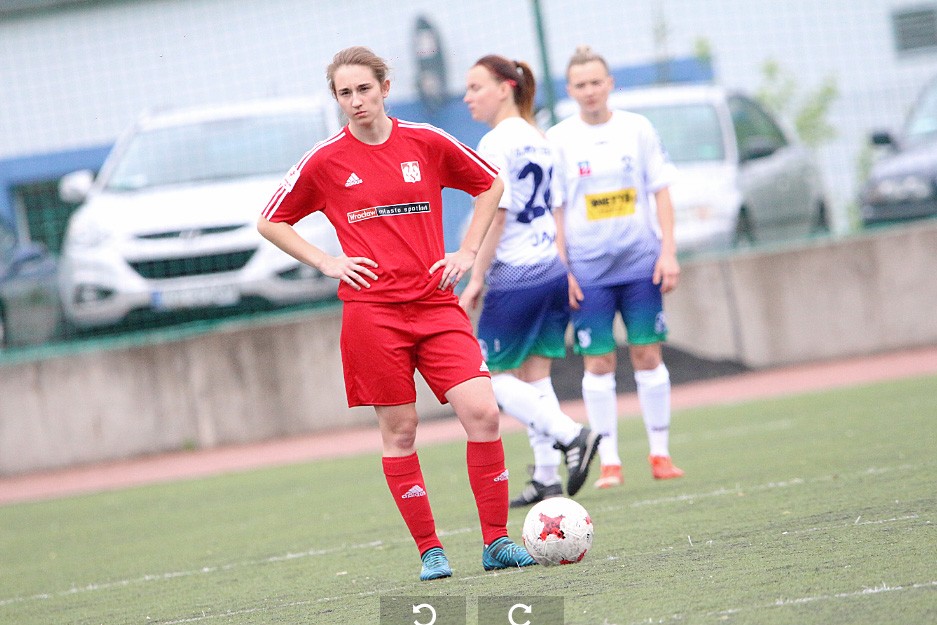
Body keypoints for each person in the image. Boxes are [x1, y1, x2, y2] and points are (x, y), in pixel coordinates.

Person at [258, 46, 536, 581]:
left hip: (436, 304)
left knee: (482, 412)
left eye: (365, 89)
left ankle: (496, 541)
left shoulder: (426, 140)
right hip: (372, 314)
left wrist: (467, 252)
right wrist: (327, 262)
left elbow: (491, 183)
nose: (356, 101)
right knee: (401, 430)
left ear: (385, 88)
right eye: (345, 93)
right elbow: (270, 220)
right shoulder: (325, 160)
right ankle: (430, 550)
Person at [461, 54, 601, 508]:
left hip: (517, 275)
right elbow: (556, 210)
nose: (467, 97)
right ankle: (545, 478)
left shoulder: (495, 143)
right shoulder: (542, 139)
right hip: (551, 270)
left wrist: (475, 275)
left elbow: (497, 215)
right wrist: (564, 266)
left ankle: (572, 434)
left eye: (476, 87)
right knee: (535, 377)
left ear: (505, 88)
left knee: (487, 377)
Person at [546, 46, 685, 488]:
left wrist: (668, 252)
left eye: (596, 82)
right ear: (570, 90)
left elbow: (661, 190)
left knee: (648, 354)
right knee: (599, 362)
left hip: (641, 263)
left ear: (610, 84)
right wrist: (563, 270)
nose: (590, 91)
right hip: (588, 271)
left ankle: (660, 454)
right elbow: (556, 208)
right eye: (580, 84)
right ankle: (610, 461)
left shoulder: (637, 129)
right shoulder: (558, 139)